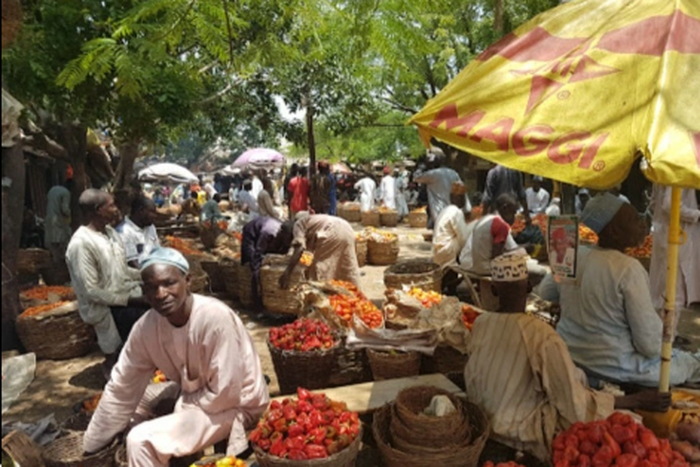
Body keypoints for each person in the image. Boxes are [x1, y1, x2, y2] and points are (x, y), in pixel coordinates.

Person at [466, 251, 671, 462]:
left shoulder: (481, 324)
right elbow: (574, 404)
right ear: (528, 287)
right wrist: (633, 400)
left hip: (483, 422)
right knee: (631, 421)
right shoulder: (541, 335)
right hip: (521, 432)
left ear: (492, 289)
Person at [82, 248, 269, 466]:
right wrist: (91, 445)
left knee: (140, 440)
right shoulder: (147, 327)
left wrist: (179, 406)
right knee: (136, 401)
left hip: (236, 403)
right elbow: (122, 385)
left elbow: (226, 393)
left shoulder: (215, 319)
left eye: (169, 283)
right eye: (151, 288)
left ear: (187, 280)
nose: (160, 294)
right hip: (195, 393)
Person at [537, 193, 700, 387]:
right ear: (614, 232)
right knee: (691, 362)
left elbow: (546, 292)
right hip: (617, 368)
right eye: (634, 219)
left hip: (570, 355)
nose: (642, 224)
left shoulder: (572, 254)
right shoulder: (627, 268)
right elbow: (649, 345)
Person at [65, 190, 149, 376]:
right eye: (111, 205)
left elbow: (122, 270)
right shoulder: (81, 244)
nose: (116, 209)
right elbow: (92, 292)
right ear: (98, 210)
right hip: (105, 306)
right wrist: (133, 300)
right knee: (126, 348)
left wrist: (148, 275)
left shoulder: (110, 233)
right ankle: (112, 371)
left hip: (124, 295)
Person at [649, 186, 699, 327]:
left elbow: (654, 203)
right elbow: (669, 204)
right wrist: (696, 214)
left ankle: (663, 333)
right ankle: (668, 337)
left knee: (663, 289)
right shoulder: (680, 171)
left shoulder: (664, 170)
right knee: (674, 292)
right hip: (676, 237)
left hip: (665, 233)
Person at [279, 213, 360, 289]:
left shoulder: (297, 226)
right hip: (347, 228)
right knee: (347, 264)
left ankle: (324, 295)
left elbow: (299, 248)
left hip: (332, 232)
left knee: (322, 269)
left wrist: (287, 272)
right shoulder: (311, 221)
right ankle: (353, 294)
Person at [460, 193, 520, 275]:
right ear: (504, 208)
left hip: (465, 261)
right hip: (480, 267)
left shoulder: (486, 219)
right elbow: (498, 258)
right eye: (512, 213)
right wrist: (527, 248)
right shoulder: (501, 225)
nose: (514, 217)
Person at [241, 217, 294, 309]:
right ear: (282, 234)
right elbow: (258, 254)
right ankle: (255, 300)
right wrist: (258, 272)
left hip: (268, 235)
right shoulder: (268, 233)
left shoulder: (285, 236)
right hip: (251, 233)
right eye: (288, 238)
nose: (289, 241)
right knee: (254, 265)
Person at [116, 196, 161, 269]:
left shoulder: (150, 227)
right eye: (152, 212)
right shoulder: (124, 231)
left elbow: (157, 251)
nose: (155, 216)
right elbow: (132, 263)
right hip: (135, 276)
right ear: (141, 211)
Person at [432, 195, 470, 271]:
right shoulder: (456, 212)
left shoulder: (445, 210)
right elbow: (463, 237)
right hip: (447, 251)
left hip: (436, 250)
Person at [44, 179, 74, 268]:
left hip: (49, 217)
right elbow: (64, 209)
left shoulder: (52, 189)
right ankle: (61, 264)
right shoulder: (66, 193)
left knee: (52, 242)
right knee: (61, 241)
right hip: (58, 220)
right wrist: (69, 213)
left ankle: (54, 262)